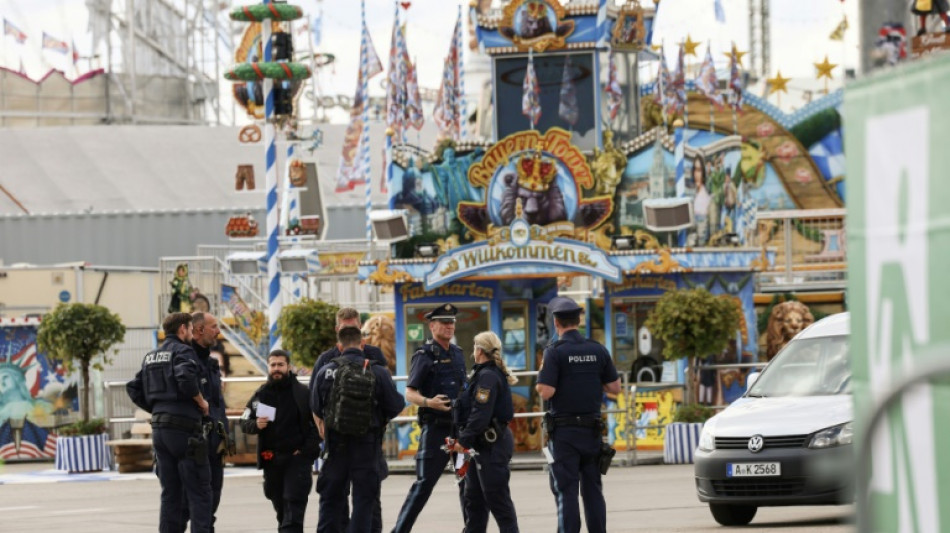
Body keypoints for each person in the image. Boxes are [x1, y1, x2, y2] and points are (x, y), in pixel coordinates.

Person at [536, 297, 621, 533]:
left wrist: (542, 377)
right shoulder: (597, 349)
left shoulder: (554, 352)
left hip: (565, 435)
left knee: (567, 491)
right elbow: (615, 388)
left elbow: (546, 391)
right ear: (578, 320)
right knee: (593, 489)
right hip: (592, 432)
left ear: (556, 322)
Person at [312, 325, 405, 533]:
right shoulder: (378, 371)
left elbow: (316, 406)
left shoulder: (325, 372)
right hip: (366, 446)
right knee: (364, 502)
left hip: (335, 446)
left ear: (339, 346)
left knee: (331, 501)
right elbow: (396, 405)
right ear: (362, 344)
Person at [126, 312, 212, 533]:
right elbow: (185, 380)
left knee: (170, 495)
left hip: (160, 431)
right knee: (199, 493)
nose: (192, 335)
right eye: (191, 330)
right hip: (184, 431)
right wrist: (202, 403)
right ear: (182, 329)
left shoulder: (151, 356)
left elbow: (133, 388)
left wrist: (157, 408)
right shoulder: (184, 351)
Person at [391, 303, 468, 533]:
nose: (449, 326)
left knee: (466, 482)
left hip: (459, 432)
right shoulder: (424, 355)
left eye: (452, 322)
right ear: (432, 326)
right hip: (436, 432)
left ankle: (471, 529)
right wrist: (428, 402)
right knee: (424, 485)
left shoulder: (458, 353)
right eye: (444, 322)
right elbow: (409, 392)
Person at [241, 349, 320, 533]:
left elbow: (317, 427)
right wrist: (256, 425)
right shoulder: (261, 395)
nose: (277, 368)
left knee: (293, 508)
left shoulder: (302, 394)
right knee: (281, 509)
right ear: (268, 367)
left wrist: (305, 451)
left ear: (289, 367)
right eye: (273, 365)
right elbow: (244, 421)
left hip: (297, 460)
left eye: (280, 365)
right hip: (272, 461)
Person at [451, 331, 519, 533]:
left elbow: (480, 414)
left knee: (498, 501)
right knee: (474, 501)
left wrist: (462, 441)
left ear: (479, 350)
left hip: (491, 445)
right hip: (478, 446)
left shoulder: (487, 377)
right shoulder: (481, 374)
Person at [181, 312, 227, 532]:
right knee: (193, 505)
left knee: (212, 501)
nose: (218, 331)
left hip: (215, 445)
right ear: (199, 330)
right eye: (214, 326)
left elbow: (218, 403)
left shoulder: (211, 363)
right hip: (194, 443)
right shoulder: (185, 360)